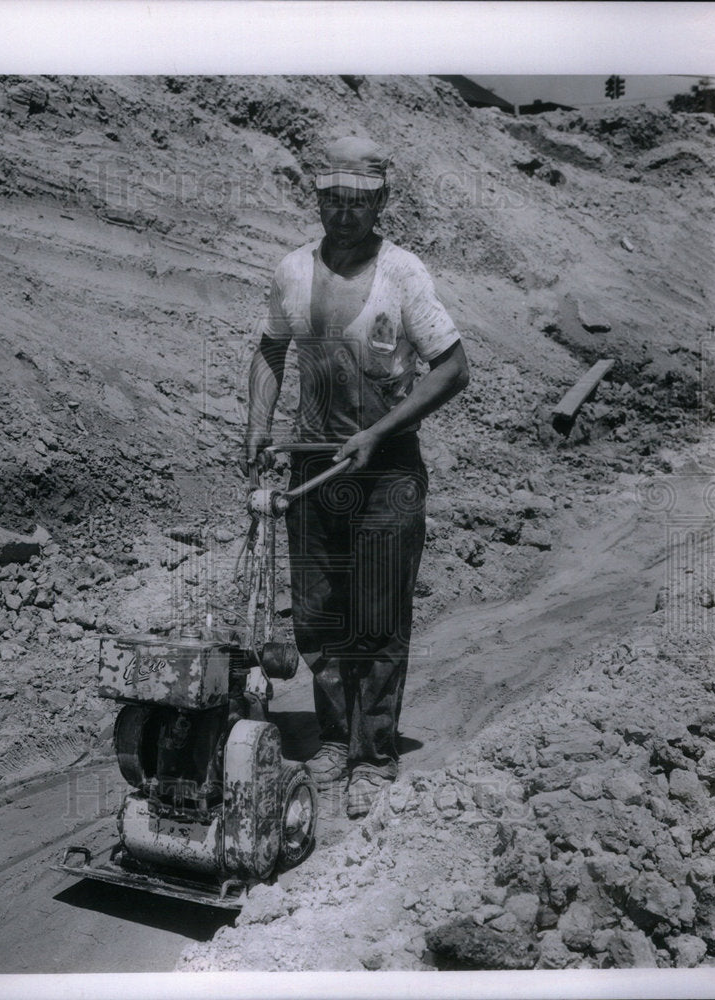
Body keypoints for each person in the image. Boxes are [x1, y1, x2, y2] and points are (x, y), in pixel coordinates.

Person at [244, 136, 469, 818]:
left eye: (360, 202)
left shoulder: (403, 275)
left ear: (382, 203)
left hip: (386, 469)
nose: (345, 214)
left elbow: (453, 367)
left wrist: (380, 431)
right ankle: (336, 740)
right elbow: (270, 348)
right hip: (313, 466)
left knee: (374, 615)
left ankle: (374, 755)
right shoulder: (290, 272)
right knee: (318, 615)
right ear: (317, 198)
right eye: (332, 200)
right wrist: (257, 423)